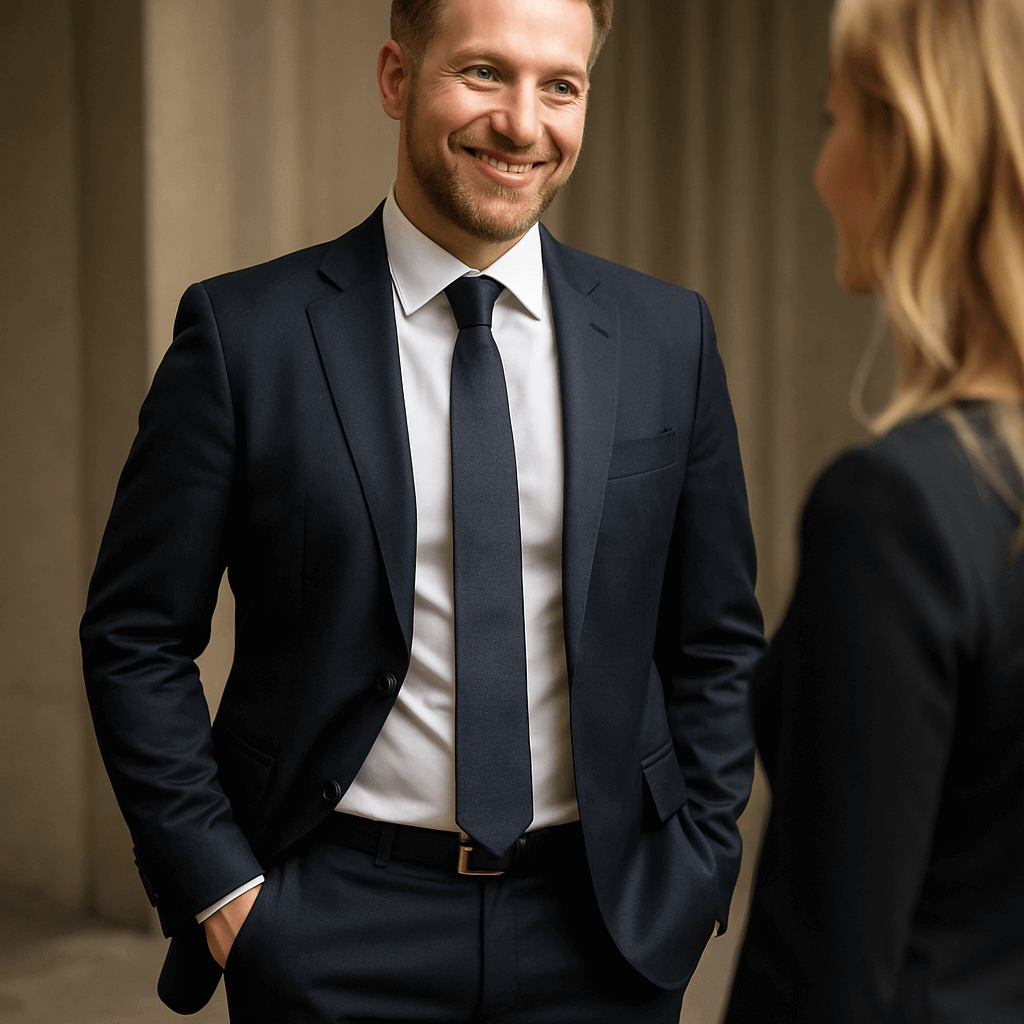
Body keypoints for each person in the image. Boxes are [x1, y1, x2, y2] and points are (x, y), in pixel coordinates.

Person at [81, 0, 765, 1020]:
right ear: (397, 77)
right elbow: (135, 634)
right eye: (484, 73)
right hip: (331, 926)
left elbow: (714, 637)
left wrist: (701, 856)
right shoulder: (244, 337)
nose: (524, 123)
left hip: (604, 930)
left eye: (560, 85)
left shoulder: (669, 338)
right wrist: (228, 896)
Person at [725, 0, 1024, 1020]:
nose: (822, 169)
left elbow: (821, 979)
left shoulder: (895, 513)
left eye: (833, 118)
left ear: (909, 144)